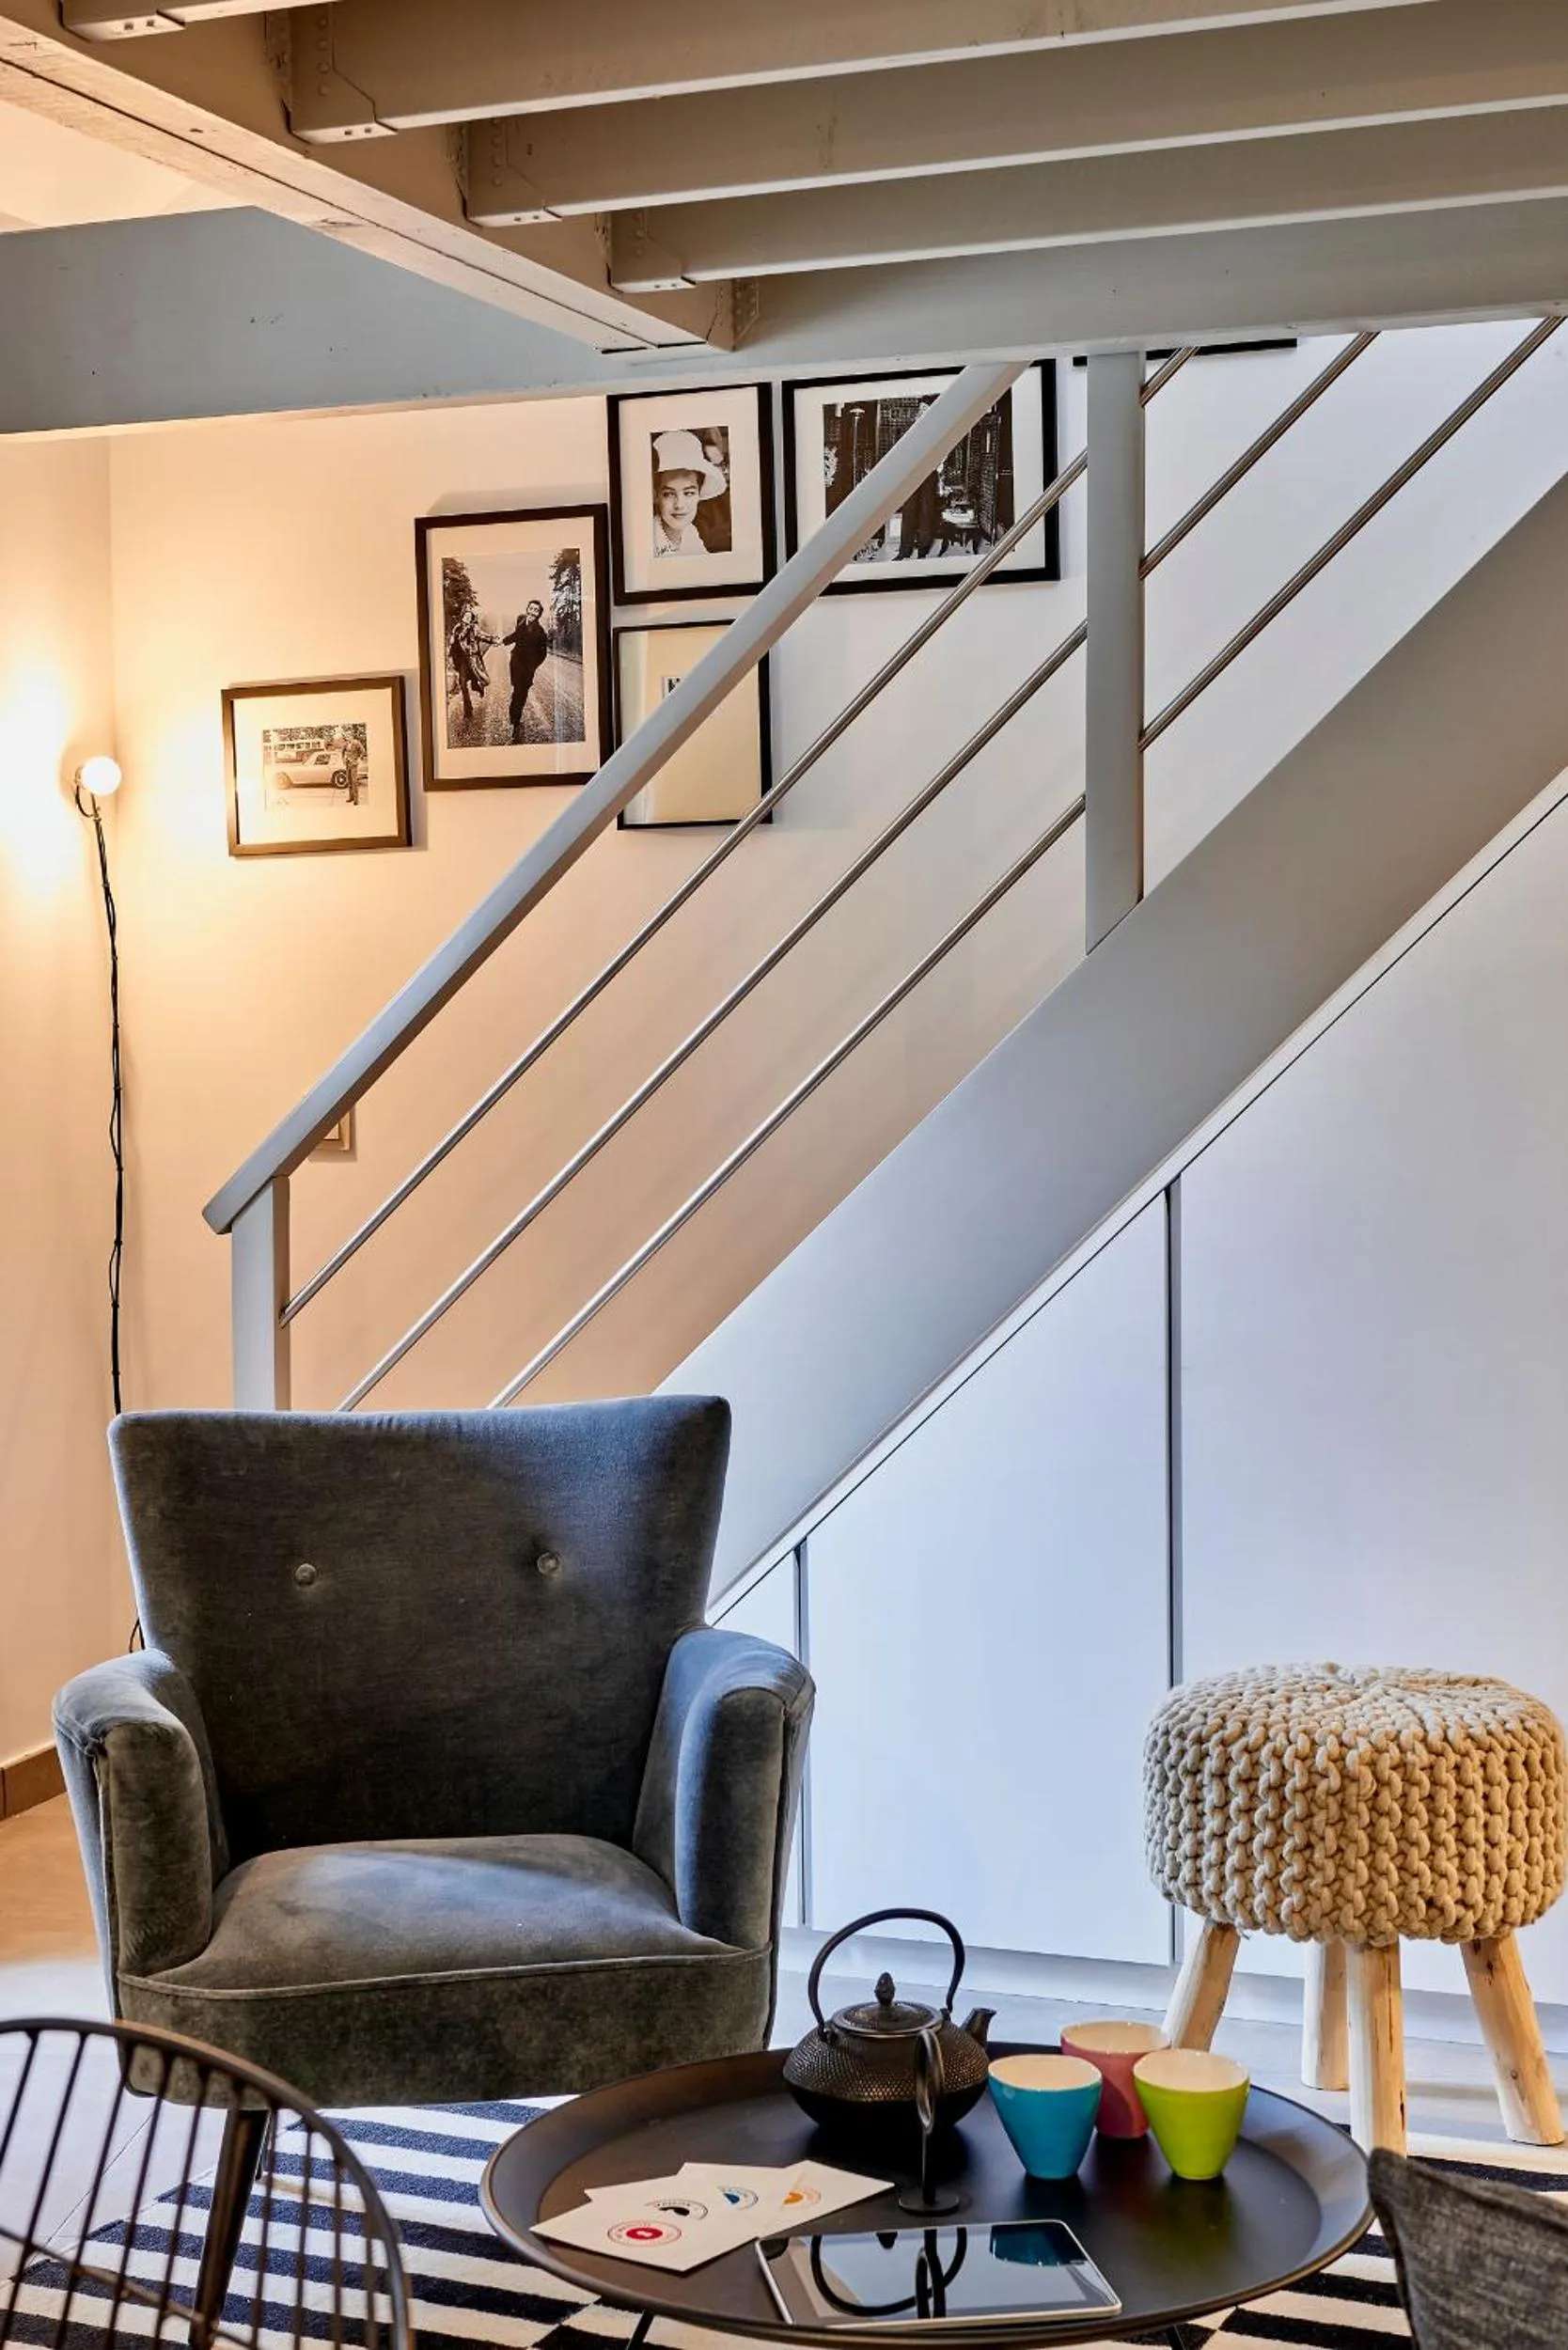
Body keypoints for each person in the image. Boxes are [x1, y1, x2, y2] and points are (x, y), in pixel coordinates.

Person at [651, 428, 726, 557]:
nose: (679, 505)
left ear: (699, 493)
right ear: (656, 495)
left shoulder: (690, 532)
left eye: (689, 493)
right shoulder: (650, 539)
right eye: (669, 494)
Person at [502, 599, 551, 743]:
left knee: (522, 694)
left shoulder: (541, 633)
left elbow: (543, 654)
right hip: (516, 664)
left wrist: (533, 666)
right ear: (527, 609)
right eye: (531, 608)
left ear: (539, 614)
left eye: (536, 610)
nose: (532, 611)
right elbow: (515, 636)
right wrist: (503, 641)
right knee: (517, 691)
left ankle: (516, 717)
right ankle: (514, 719)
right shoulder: (521, 621)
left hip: (528, 669)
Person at [447, 603, 493, 729]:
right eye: (465, 616)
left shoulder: (474, 628)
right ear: (462, 617)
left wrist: (493, 639)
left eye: (469, 616)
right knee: (462, 684)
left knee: (475, 679)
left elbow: (482, 636)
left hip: (471, 659)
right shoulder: (457, 628)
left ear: (472, 618)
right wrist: (450, 656)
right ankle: (468, 709)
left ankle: (477, 687)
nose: (467, 618)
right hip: (460, 661)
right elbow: (453, 643)